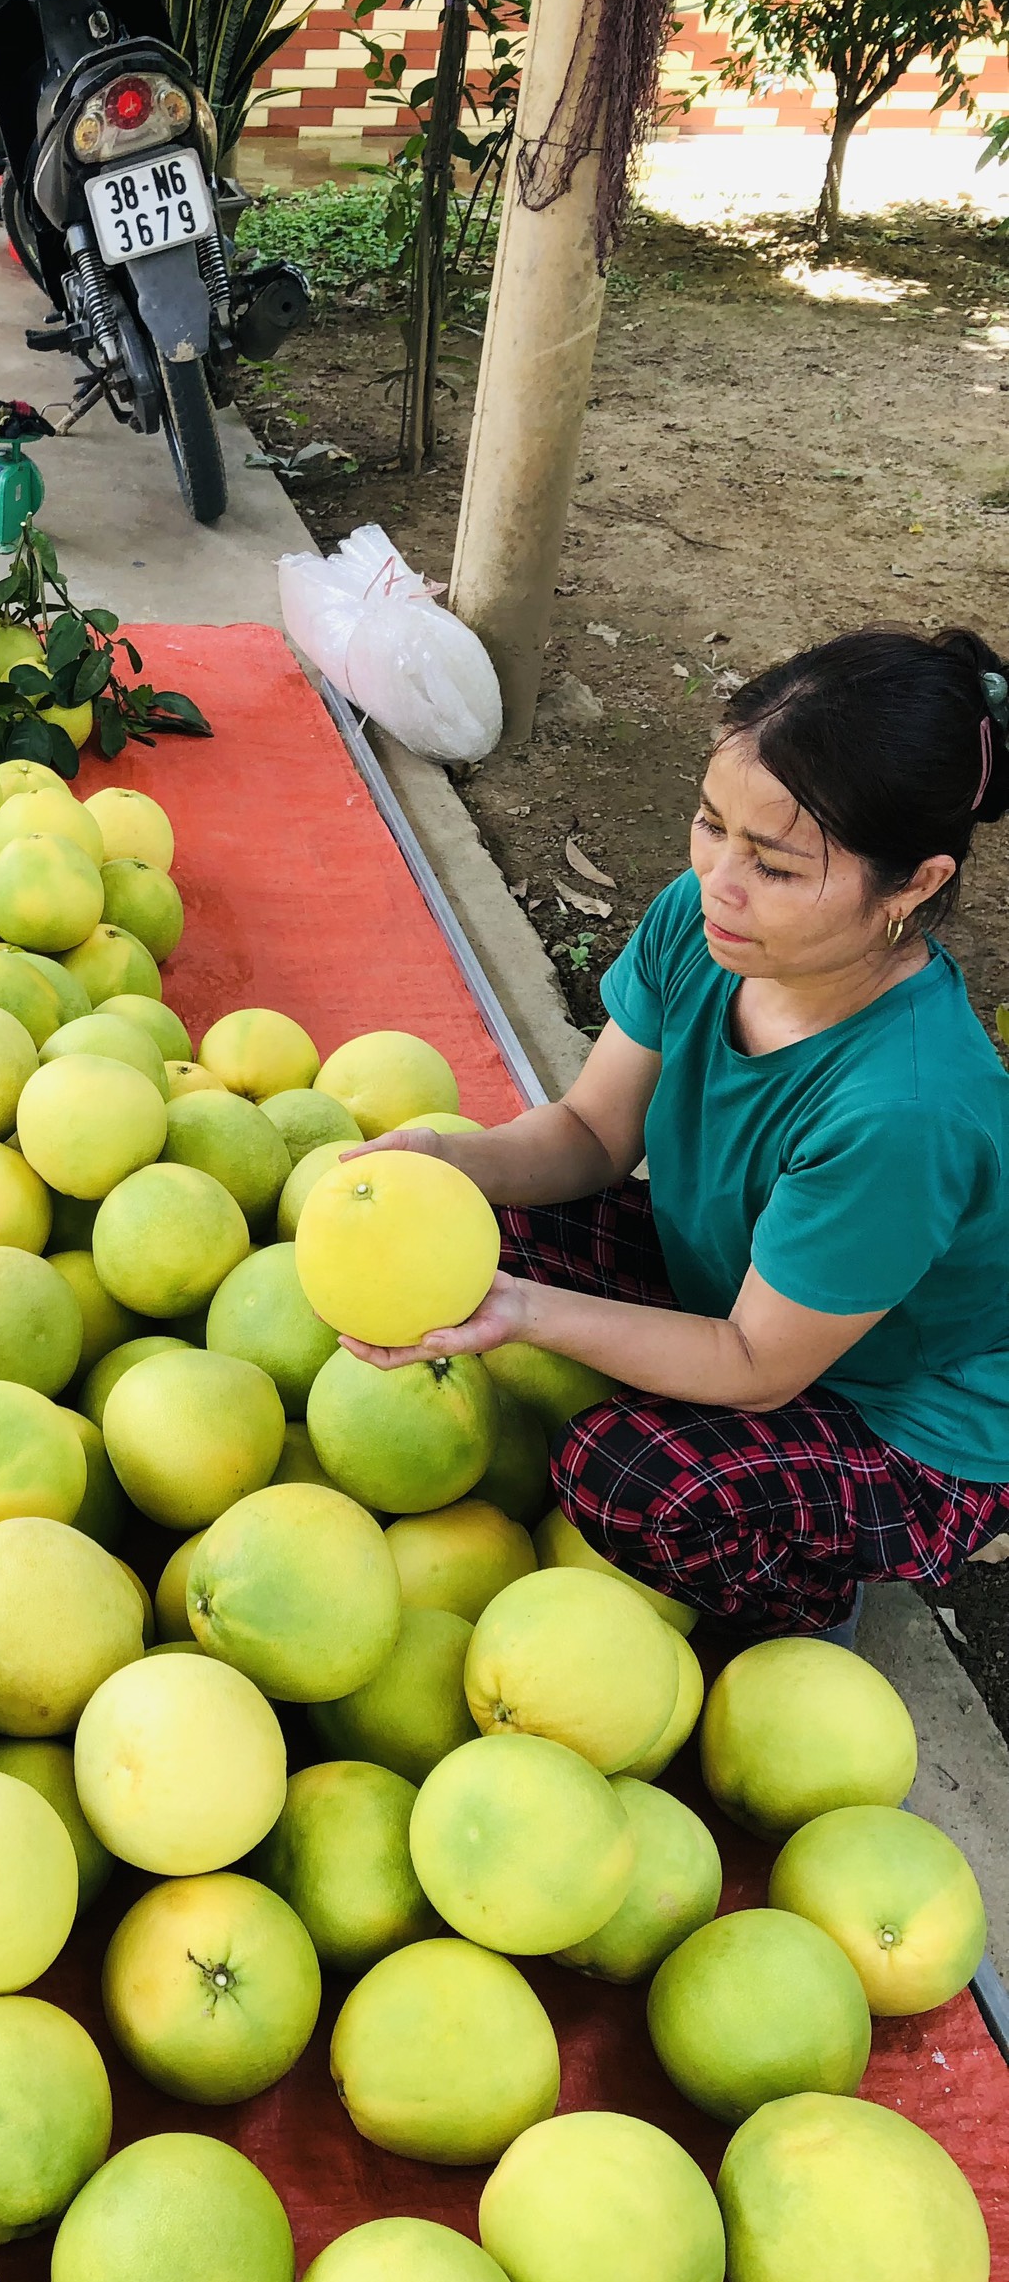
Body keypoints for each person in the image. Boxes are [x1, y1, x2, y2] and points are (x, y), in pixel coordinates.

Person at [341, 626, 1009, 1645]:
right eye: (710, 827)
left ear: (911, 886)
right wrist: (451, 1162)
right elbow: (588, 1134)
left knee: (624, 1478)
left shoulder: (903, 1108)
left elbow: (756, 1362)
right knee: (479, 1230)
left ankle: (809, 1585)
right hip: (741, 1285)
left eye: (776, 865)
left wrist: (526, 1315)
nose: (720, 882)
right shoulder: (700, 928)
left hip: (897, 1417)